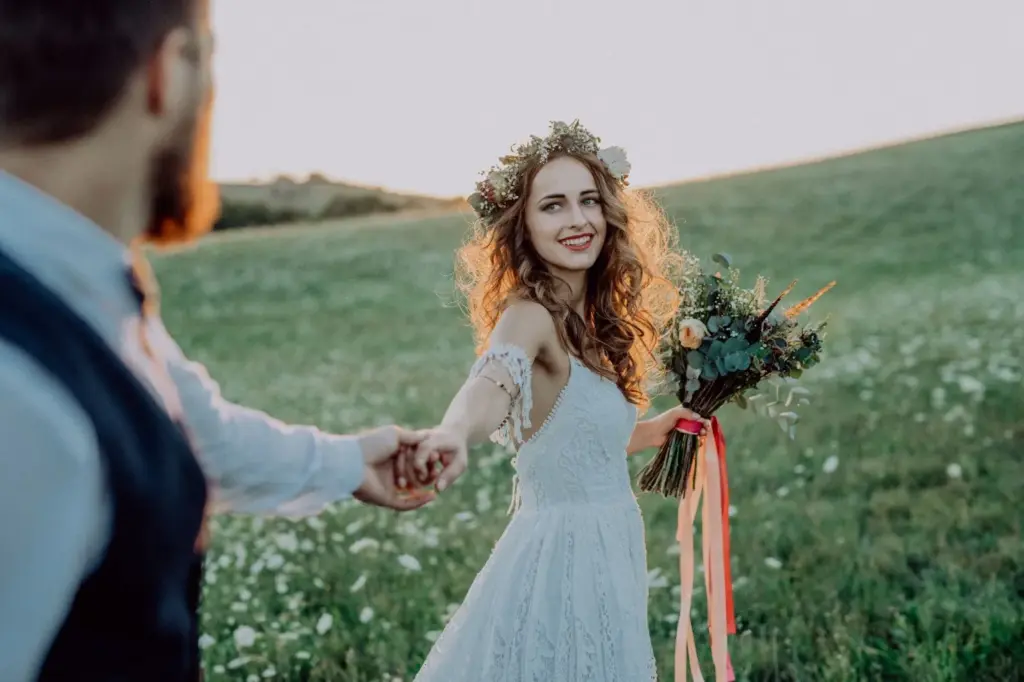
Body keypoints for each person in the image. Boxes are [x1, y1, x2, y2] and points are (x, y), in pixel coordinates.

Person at [0, 1, 432, 681]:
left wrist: (348, 462)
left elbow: (198, 433)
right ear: (168, 74)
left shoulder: (66, 282)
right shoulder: (18, 386)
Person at [404, 120, 709, 681]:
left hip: (610, 546)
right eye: (553, 206)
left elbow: (577, 442)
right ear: (522, 225)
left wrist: (655, 428)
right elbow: (492, 383)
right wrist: (451, 433)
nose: (577, 219)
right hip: (561, 559)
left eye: (589, 200)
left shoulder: (591, 325)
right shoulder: (528, 316)